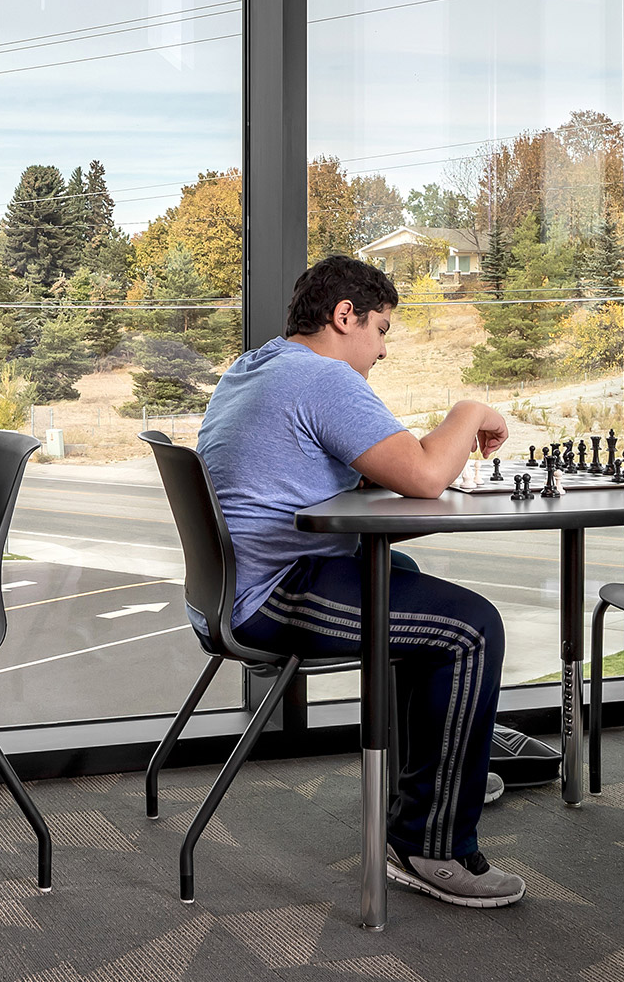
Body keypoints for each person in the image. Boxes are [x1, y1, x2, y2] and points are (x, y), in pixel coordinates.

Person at [195, 255, 522, 909]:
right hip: (273, 593)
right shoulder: (321, 378)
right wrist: (470, 407)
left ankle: (436, 775)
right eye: (380, 331)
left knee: (402, 576)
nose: (379, 353)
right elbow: (427, 478)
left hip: (228, 589)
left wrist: (406, 459)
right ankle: (431, 844)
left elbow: (372, 470)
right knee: (470, 627)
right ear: (344, 316)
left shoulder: (255, 366)